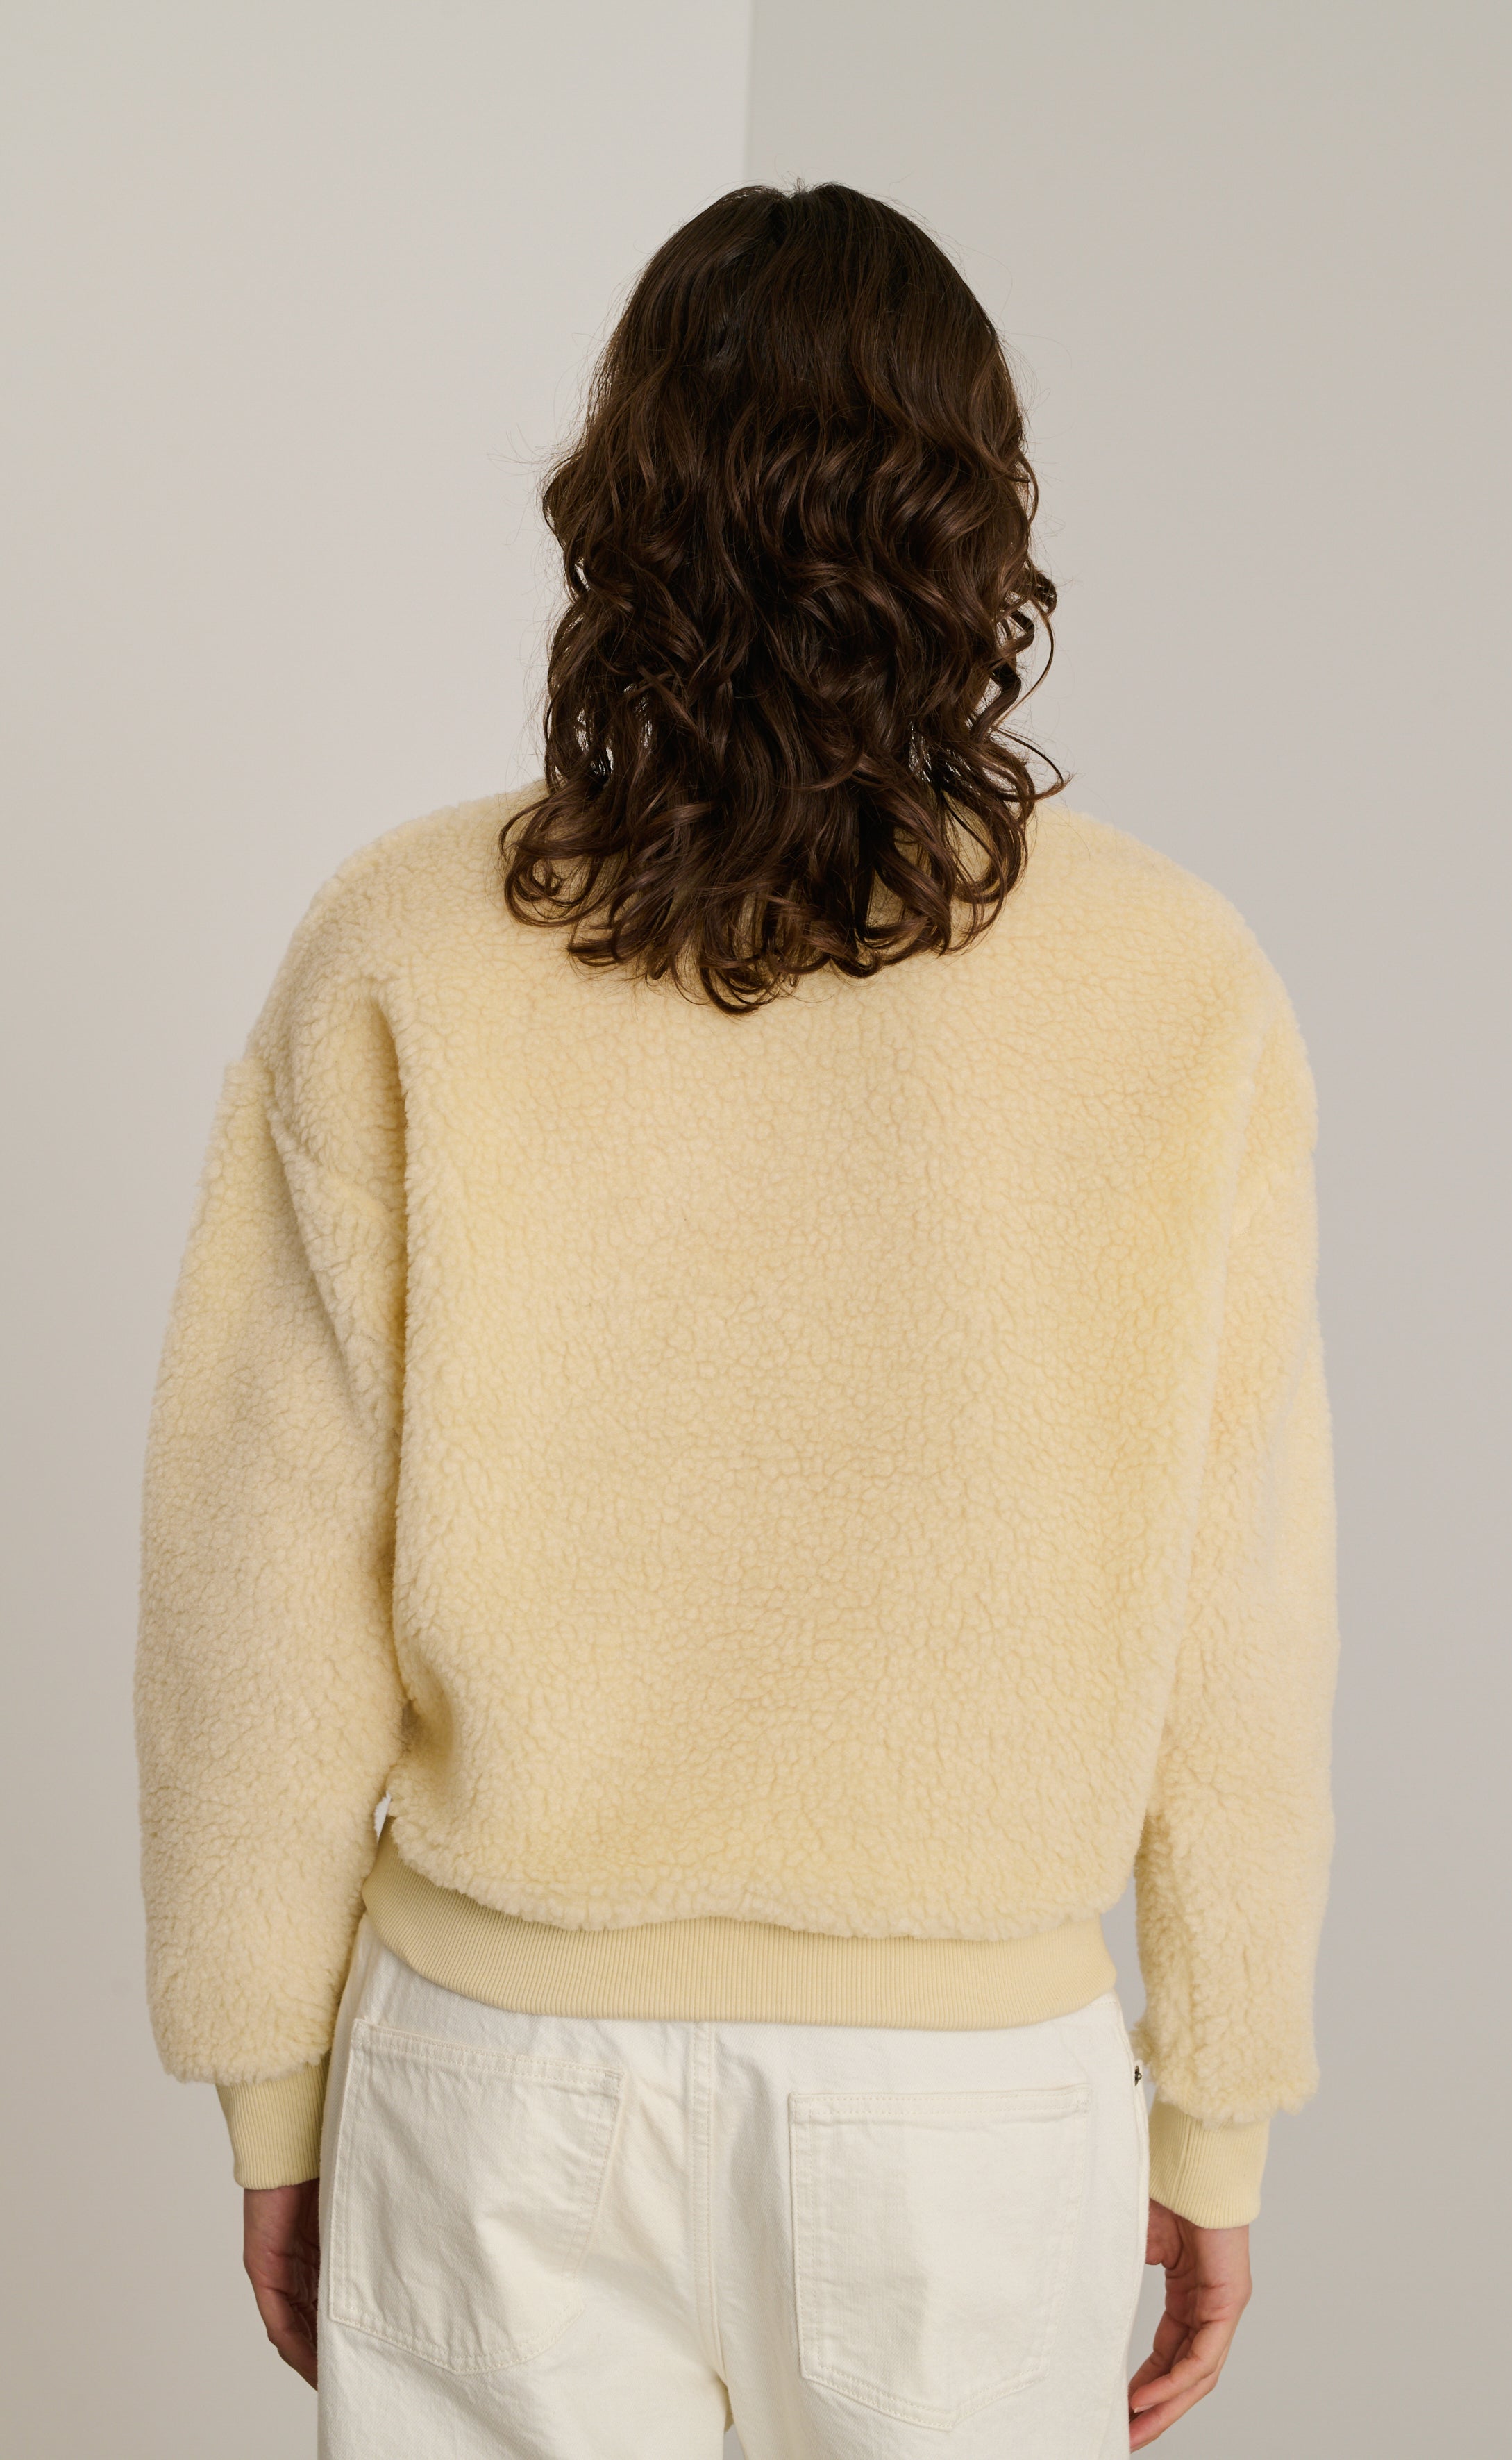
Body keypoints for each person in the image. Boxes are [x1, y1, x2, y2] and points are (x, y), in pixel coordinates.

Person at [135, 181, 1337, 2459]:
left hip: (499, 2076)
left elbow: (254, 1574)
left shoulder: (403, 941)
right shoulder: (1175, 983)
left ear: (619, 503)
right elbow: (1238, 1611)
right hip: (964, 2107)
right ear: (980, 524)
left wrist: (269, 2088)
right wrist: (1214, 2117)